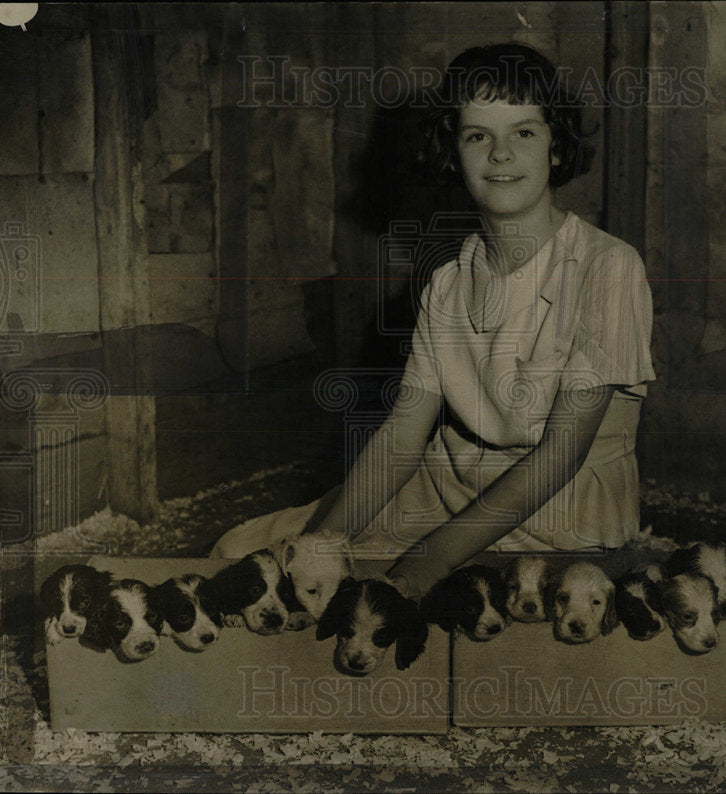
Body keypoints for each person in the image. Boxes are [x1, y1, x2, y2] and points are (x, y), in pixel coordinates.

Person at [214, 43, 655, 600]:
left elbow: (559, 456)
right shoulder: (448, 280)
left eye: (523, 132)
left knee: (381, 596)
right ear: (452, 150)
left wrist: (426, 563)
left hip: (555, 515)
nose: (499, 154)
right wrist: (323, 544)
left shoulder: (608, 267)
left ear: (557, 147)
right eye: (477, 135)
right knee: (241, 554)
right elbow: (402, 435)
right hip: (444, 489)